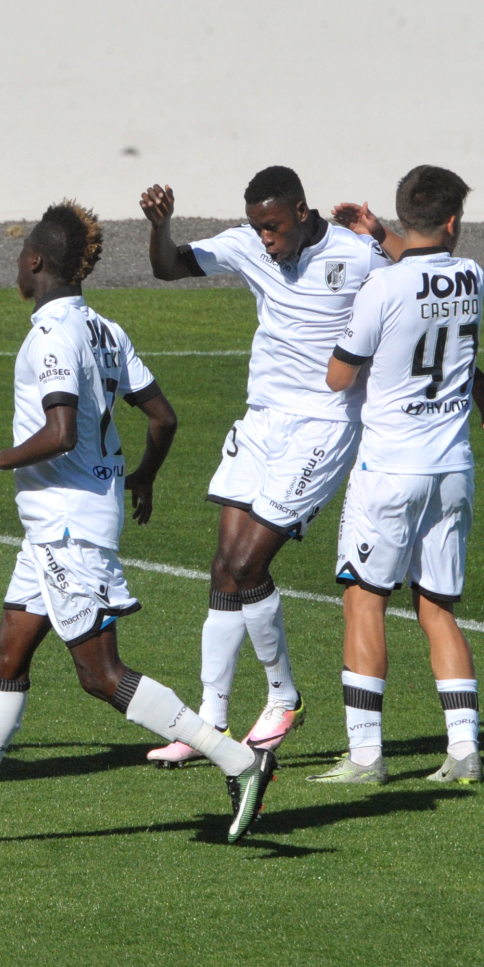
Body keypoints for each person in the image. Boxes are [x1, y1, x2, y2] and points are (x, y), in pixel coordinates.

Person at [0, 202, 277, 845]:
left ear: (35, 262)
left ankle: (239, 759)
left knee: (101, 675)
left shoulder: (53, 336)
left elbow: (61, 432)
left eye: (21, 256)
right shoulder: (105, 330)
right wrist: (143, 476)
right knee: (6, 653)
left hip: (68, 527)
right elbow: (163, 418)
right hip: (60, 525)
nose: (18, 264)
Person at [138, 167, 398, 767]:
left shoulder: (357, 256)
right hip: (261, 422)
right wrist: (162, 226)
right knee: (225, 567)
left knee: (250, 562)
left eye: (274, 227)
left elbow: (414, 291)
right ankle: (210, 724)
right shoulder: (247, 245)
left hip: (324, 426)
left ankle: (284, 696)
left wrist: (477, 377)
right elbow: (168, 266)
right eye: (258, 228)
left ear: (303, 213)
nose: (266, 241)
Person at [309, 167, 484, 785]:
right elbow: (428, 271)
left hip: (388, 470)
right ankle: (464, 751)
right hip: (453, 470)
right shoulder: (474, 276)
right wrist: (381, 233)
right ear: (454, 222)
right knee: (436, 607)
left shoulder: (380, 290)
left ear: (403, 212)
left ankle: (365, 757)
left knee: (364, 600)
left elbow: (339, 376)